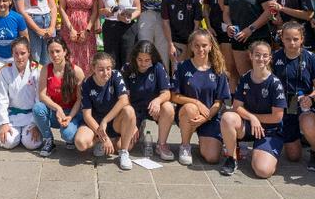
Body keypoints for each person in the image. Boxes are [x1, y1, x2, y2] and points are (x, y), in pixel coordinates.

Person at [220, 40, 287, 177]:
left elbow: (277, 117)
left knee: (263, 171)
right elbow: (237, 106)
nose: (260, 59)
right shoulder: (245, 78)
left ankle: (264, 152)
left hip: (269, 130)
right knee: (228, 117)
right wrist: (252, 118)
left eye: (264, 55)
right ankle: (231, 158)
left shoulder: (275, 83)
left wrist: (257, 118)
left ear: (269, 58)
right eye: (257, 55)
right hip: (250, 125)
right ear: (250, 56)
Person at [172, 29, 230, 166]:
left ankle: (205, 140)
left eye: (204, 45)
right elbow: (174, 97)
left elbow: (219, 102)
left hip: (209, 117)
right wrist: (196, 102)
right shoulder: (182, 66)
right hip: (188, 114)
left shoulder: (218, 69)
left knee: (212, 158)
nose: (200, 49)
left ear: (210, 46)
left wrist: (207, 116)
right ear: (191, 46)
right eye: (197, 45)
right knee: (191, 108)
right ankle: (185, 145)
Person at [273, 22, 315, 170]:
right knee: (294, 157)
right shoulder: (274, 58)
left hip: (305, 102)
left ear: (302, 39)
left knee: (308, 121)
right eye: (288, 38)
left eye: (296, 39)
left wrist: (311, 97)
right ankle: (301, 137)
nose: (292, 43)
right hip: (285, 104)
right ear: (281, 38)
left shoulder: (311, 58)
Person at [75, 51, 137, 170]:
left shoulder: (116, 75)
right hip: (95, 123)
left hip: (113, 121)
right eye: (101, 69)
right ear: (93, 68)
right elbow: (87, 116)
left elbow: (124, 100)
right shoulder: (87, 84)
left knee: (129, 111)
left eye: (108, 68)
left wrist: (105, 121)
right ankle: (101, 141)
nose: (106, 73)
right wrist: (104, 137)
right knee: (80, 143)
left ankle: (124, 153)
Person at [221, 0, 276, 76]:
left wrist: (250, 29)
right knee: (244, 77)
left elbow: (269, 12)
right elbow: (226, 12)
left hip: (258, 38)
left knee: (262, 76)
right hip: (238, 38)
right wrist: (229, 25)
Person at [123, 40, 175, 161]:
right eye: (140, 60)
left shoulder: (158, 67)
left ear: (152, 58)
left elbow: (167, 93)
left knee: (168, 107)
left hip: (153, 109)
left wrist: (158, 100)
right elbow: (124, 98)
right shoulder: (127, 68)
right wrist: (132, 121)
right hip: (134, 109)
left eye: (147, 60)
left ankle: (161, 144)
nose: (143, 64)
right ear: (135, 57)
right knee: (123, 146)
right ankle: (139, 127)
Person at [32, 37, 84, 156]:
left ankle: (73, 133)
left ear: (65, 51)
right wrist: (58, 109)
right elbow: (42, 95)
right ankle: (49, 139)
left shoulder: (77, 71)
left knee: (68, 135)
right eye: (51, 52)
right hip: (55, 112)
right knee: (38, 108)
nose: (55, 55)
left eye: (58, 51)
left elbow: (80, 99)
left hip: (72, 112)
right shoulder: (46, 69)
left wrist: (70, 117)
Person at [0, 37, 43, 151]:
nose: (19, 57)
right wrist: (4, 123)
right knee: (7, 142)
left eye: (23, 53)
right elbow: (1, 98)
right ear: (12, 53)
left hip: (32, 116)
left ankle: (27, 133)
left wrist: (37, 124)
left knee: (32, 143)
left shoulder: (37, 70)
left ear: (29, 52)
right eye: (16, 53)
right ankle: (16, 133)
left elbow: (40, 99)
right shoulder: (5, 71)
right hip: (12, 115)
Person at [56, 0, 102, 69]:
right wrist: (71, 29)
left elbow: (95, 11)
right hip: (69, 29)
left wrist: (87, 30)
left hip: (87, 30)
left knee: (87, 59)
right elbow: (61, 8)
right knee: (69, 59)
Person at [202, 0, 238, 85]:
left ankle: (230, 100)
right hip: (213, 29)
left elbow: (224, 7)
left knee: (229, 68)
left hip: (227, 30)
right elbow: (205, 8)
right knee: (215, 66)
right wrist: (208, 26)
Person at [99, 0, 141, 68]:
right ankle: (113, 84)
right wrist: (106, 11)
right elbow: (99, 9)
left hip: (128, 27)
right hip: (110, 27)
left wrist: (130, 17)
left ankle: (127, 84)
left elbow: (138, 9)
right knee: (111, 60)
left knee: (128, 59)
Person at [162, 0, 204, 69]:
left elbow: (196, 25)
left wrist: (192, 43)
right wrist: (170, 44)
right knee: (177, 69)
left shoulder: (195, 0)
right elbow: (165, 22)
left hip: (190, 39)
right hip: (175, 39)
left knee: (191, 68)